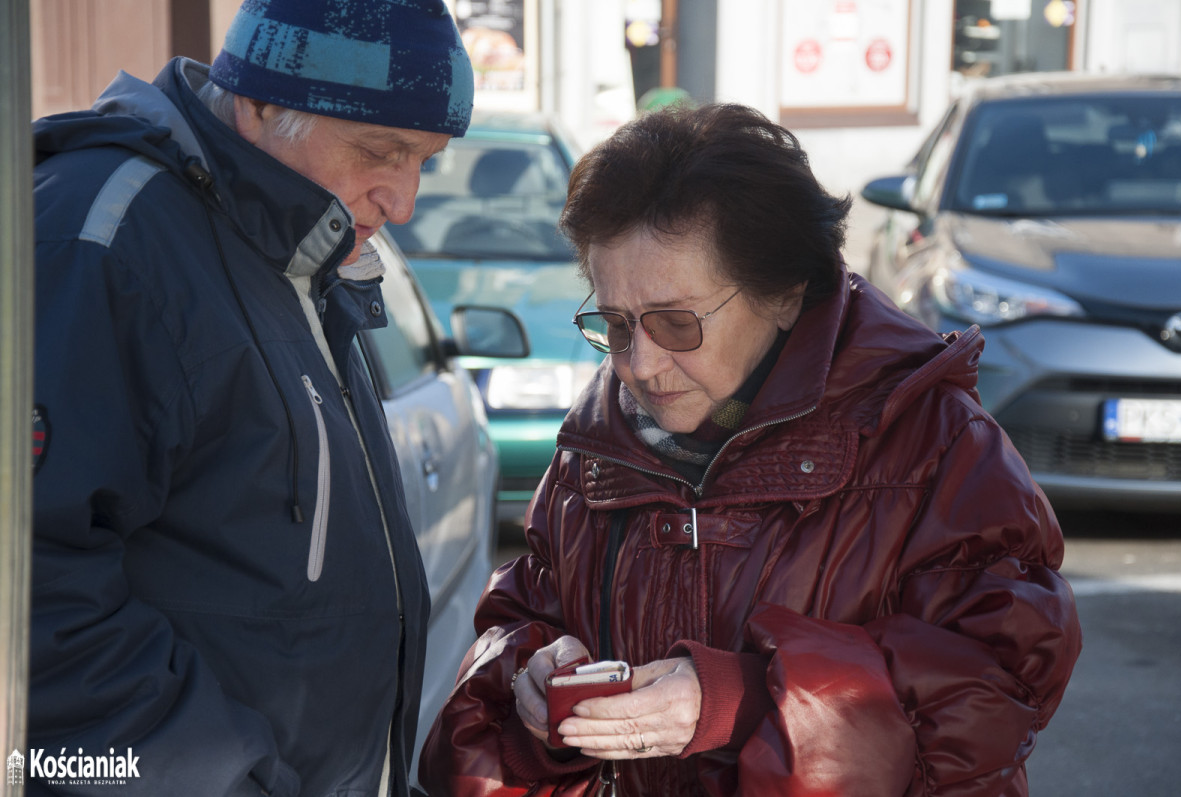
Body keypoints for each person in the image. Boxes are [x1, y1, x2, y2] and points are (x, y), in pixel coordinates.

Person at [418, 103, 1082, 796]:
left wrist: (746, 703)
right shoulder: (594, 447)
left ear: (787, 293)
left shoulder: (936, 444)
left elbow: (996, 692)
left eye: (676, 322)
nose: (639, 365)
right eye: (613, 323)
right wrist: (531, 687)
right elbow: (522, 622)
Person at [28, 1, 472, 795]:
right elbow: (32, 595)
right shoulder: (106, 239)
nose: (402, 201)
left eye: (425, 161)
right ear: (263, 101)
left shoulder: (295, 254)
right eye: (382, 150)